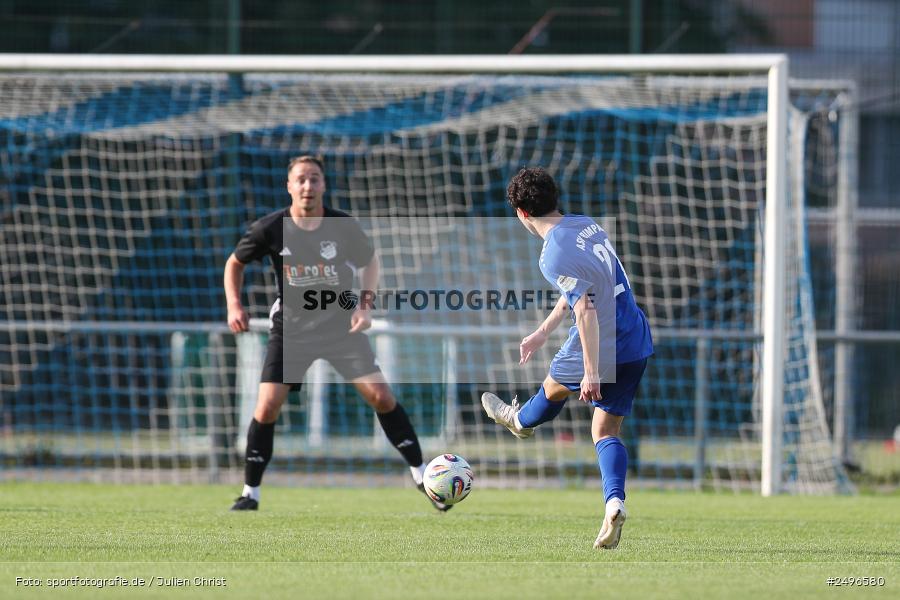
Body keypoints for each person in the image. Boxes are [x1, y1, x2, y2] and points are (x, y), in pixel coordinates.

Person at [224, 155, 449, 512]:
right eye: (300, 179)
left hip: (340, 329)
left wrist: (365, 304)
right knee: (267, 406)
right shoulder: (270, 227)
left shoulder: (342, 227)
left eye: (314, 179)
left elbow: (370, 262)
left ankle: (422, 475)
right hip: (292, 331)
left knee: (380, 396)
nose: (307, 186)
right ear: (289, 186)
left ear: (324, 185)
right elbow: (234, 263)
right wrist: (234, 305)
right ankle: (250, 492)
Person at [481, 167, 653, 548]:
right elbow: (584, 288)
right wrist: (543, 331)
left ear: (521, 213)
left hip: (600, 341)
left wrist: (592, 371)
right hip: (635, 336)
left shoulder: (552, 254)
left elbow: (586, 310)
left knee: (550, 390)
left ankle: (520, 420)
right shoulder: (585, 224)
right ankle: (614, 504)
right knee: (605, 432)